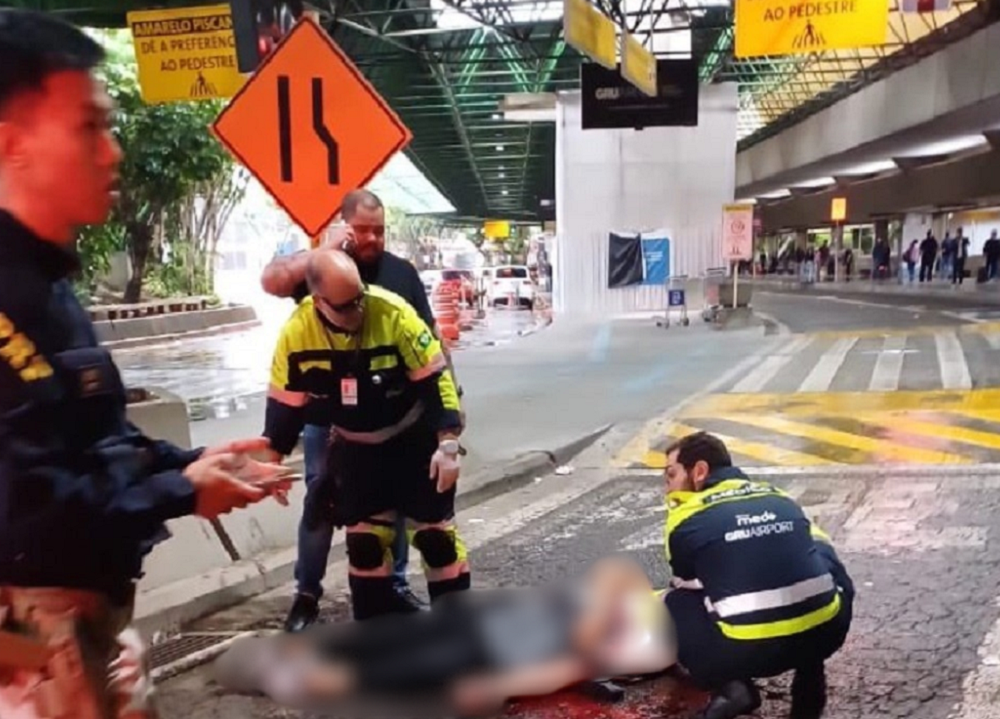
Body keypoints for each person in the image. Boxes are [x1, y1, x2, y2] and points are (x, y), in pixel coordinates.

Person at [0, 10, 291, 718]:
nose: (114, 153)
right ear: (12, 145)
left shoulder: (45, 287)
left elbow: (86, 446)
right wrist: (181, 491)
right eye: (89, 127)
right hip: (25, 644)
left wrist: (186, 463)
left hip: (82, 626)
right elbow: (24, 511)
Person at [260, 189, 459, 631]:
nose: (356, 313)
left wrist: (448, 440)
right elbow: (284, 406)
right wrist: (271, 459)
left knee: (435, 537)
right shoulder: (298, 331)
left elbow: (436, 374)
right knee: (363, 540)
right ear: (317, 300)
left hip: (409, 433)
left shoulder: (394, 304)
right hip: (348, 439)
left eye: (379, 230)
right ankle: (369, 634)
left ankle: (456, 633)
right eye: (363, 230)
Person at [213, 555, 677, 717]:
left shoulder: (657, 648)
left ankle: (300, 673)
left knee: (419, 666)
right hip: (509, 629)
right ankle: (290, 661)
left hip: (507, 645)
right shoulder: (657, 620)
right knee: (409, 645)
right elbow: (616, 576)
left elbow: (575, 664)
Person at [661, 432, 854, 719]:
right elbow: (821, 552)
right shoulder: (780, 497)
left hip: (747, 653)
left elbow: (687, 577)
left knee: (676, 601)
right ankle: (810, 676)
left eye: (671, 476)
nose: (668, 488)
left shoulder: (685, 517)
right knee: (818, 566)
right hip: (827, 634)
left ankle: (732, 688)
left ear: (699, 471)